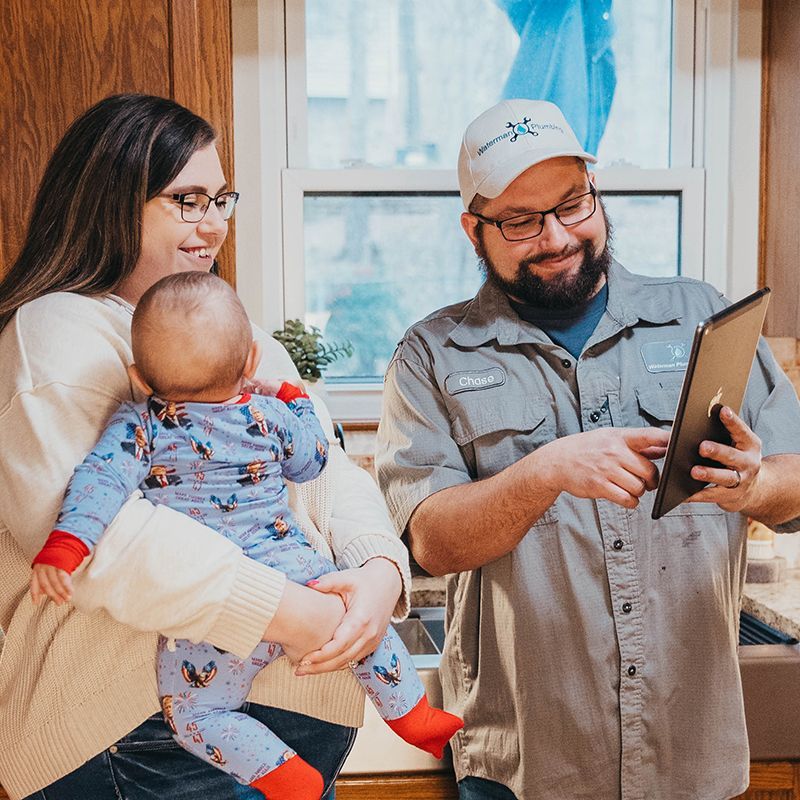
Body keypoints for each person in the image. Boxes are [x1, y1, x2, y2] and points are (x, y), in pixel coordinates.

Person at [376, 98, 800, 800]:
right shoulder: (431, 356)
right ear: (472, 230)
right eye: (520, 221)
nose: (556, 236)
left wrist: (753, 486)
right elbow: (432, 542)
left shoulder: (700, 316)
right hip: (529, 761)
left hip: (690, 752)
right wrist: (543, 472)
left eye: (574, 204)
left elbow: (795, 478)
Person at [0, 93, 411, 800]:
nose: (214, 224)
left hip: (276, 726)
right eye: (188, 200)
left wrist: (379, 577)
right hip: (143, 738)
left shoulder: (237, 342)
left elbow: (326, 474)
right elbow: (104, 540)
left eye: (222, 198)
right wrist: (305, 614)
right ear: (110, 200)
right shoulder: (58, 331)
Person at [30, 271, 463, 800]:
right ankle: (414, 715)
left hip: (211, 620)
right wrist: (292, 398)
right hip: (298, 573)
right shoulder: (269, 415)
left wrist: (68, 542)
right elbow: (313, 461)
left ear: (139, 377)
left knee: (196, 713)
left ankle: (278, 771)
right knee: (365, 634)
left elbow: (100, 480)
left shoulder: (140, 425)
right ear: (251, 363)